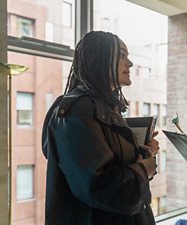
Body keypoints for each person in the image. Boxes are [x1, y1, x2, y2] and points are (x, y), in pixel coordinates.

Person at [42, 31, 159, 225]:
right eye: (122, 55)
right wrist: (144, 169)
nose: (129, 63)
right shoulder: (78, 111)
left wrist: (142, 152)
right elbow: (98, 186)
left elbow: (113, 164)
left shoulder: (105, 108)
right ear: (99, 59)